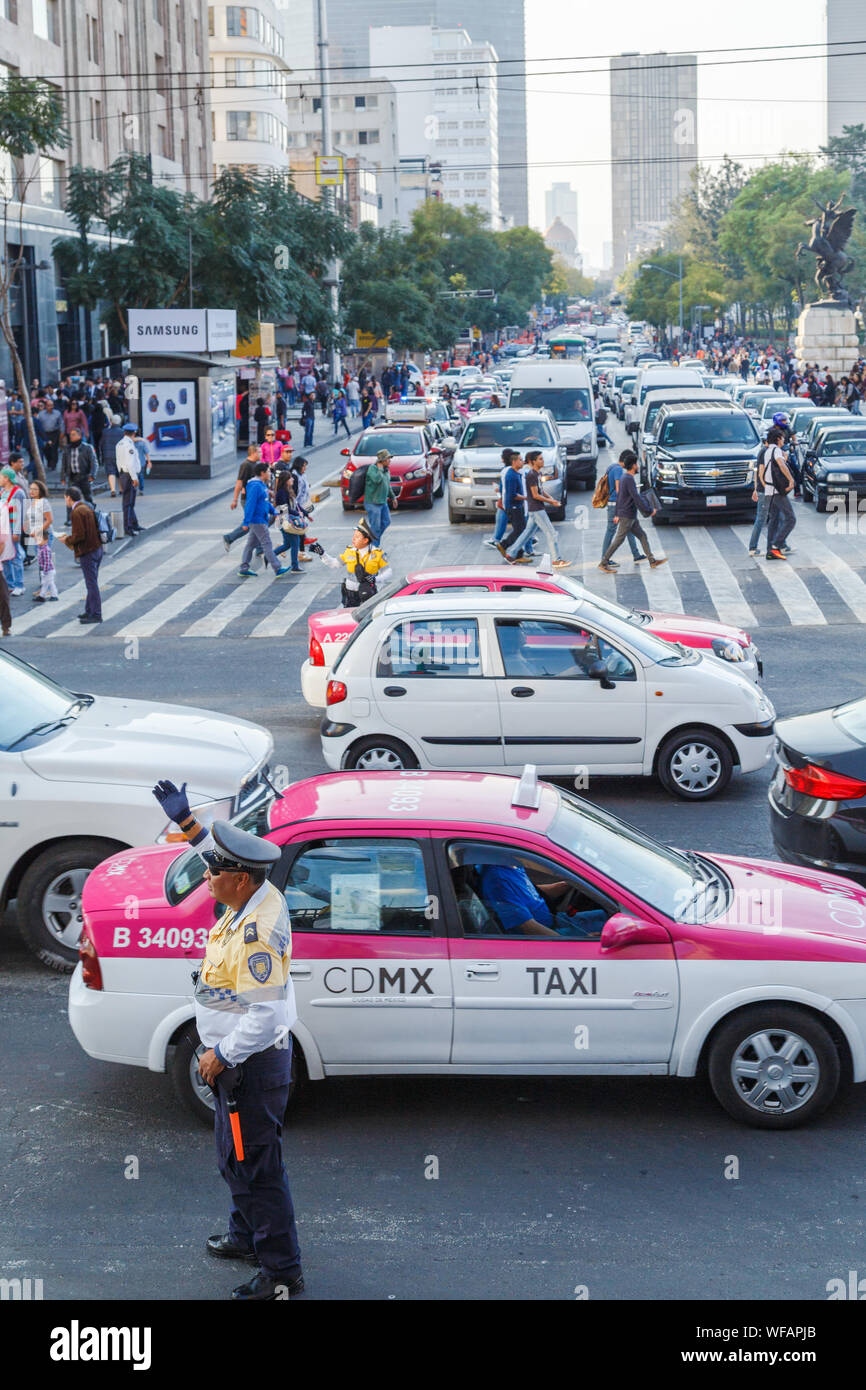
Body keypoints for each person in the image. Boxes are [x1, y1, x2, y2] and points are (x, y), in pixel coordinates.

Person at [148, 785, 303, 1301]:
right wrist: (190, 824)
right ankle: (245, 1236)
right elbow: (215, 861)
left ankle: (281, 1272)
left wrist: (219, 1055)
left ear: (238, 879)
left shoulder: (256, 932)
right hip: (239, 1066)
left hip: (248, 1065)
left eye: (214, 874)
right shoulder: (254, 893)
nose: (205, 879)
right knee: (240, 1156)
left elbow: (264, 1014)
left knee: (253, 1167)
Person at [477, 862, 608, 940]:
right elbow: (529, 928)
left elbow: (532, 892)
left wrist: (570, 883)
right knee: (611, 932)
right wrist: (573, 942)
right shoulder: (499, 881)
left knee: (608, 916)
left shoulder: (511, 866)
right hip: (549, 934)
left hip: (556, 921)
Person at [503, 449, 570, 569]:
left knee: (527, 533)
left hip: (536, 509)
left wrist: (552, 499)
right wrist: (551, 502)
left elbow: (541, 491)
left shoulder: (537, 474)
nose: (543, 461)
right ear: (533, 462)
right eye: (540, 459)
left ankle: (511, 554)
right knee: (551, 533)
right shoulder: (531, 475)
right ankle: (556, 560)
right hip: (536, 509)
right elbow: (535, 495)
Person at [598, 455, 667, 573]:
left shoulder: (625, 477)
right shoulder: (628, 479)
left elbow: (620, 497)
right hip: (627, 516)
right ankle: (603, 562)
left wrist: (617, 514)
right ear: (634, 466)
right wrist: (649, 510)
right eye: (637, 464)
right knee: (618, 540)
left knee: (642, 535)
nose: (638, 466)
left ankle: (652, 560)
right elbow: (636, 498)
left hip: (630, 515)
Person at [237, 462, 291, 580]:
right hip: (257, 520)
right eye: (267, 471)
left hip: (261, 518)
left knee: (251, 544)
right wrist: (246, 522)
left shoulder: (261, 484)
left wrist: (274, 512)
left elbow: (265, 502)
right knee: (267, 544)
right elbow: (250, 504)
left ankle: (244, 568)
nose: (269, 473)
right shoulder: (255, 486)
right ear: (262, 473)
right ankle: (277, 568)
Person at [57, 485, 103, 623]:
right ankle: (89, 610)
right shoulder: (86, 507)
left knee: (91, 584)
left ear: (69, 498)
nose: (65, 500)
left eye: (65, 498)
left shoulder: (76, 512)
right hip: (96, 548)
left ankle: (96, 614)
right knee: (92, 582)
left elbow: (79, 535)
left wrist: (66, 539)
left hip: (87, 551)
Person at [333, 517, 392, 607]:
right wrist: (322, 554)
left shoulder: (377, 553)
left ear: (365, 540)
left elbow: (388, 572)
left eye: (357, 537)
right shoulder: (349, 551)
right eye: (353, 536)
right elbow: (334, 564)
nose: (353, 539)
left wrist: (375, 579)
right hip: (350, 594)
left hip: (368, 592)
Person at [600, 450, 644, 566]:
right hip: (616, 505)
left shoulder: (612, 467)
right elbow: (619, 490)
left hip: (614, 503)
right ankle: (605, 559)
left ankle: (636, 555)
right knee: (611, 531)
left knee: (628, 529)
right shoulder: (618, 470)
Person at [762, 427, 797, 560]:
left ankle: (770, 550)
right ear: (778, 439)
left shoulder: (767, 451)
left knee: (774, 520)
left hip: (770, 490)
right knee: (791, 519)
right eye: (782, 438)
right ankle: (776, 546)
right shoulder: (776, 451)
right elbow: (781, 465)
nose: (784, 440)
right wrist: (791, 479)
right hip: (777, 491)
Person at [224, 445, 262, 554]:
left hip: (254, 499)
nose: (261, 454)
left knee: (256, 522)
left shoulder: (255, 465)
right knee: (250, 523)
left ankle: (260, 548)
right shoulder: (246, 465)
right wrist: (235, 500)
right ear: (253, 453)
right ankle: (229, 538)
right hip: (247, 499)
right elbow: (239, 482)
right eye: (259, 452)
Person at [25, 479, 57, 602]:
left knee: (45, 560)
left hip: (44, 535)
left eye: (35, 489)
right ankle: (44, 587)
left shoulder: (44, 502)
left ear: (40, 491)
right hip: (35, 535)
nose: (32, 491)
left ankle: (48, 588)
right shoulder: (32, 502)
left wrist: (38, 531)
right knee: (41, 561)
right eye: (31, 488)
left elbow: (49, 520)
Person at [271, 468, 303, 572]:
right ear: (286, 480)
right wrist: (297, 514)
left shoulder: (288, 490)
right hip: (285, 520)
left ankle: (269, 556)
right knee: (295, 543)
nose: (293, 479)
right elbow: (285, 508)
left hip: (286, 519)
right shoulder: (282, 492)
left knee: (288, 544)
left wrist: (304, 513)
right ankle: (295, 567)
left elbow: (295, 505)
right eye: (290, 478)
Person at [364, 448, 398, 545]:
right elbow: (377, 480)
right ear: (382, 460)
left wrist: (393, 497)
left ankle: (371, 540)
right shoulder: (373, 469)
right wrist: (379, 469)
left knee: (386, 522)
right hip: (373, 503)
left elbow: (387, 485)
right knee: (375, 527)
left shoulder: (386, 470)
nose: (390, 460)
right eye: (388, 459)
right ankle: (374, 548)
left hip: (383, 502)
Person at [0, 466, 25, 595]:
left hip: (12, 528)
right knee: (5, 557)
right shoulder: (2, 491)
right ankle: (10, 584)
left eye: (1, 476)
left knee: (15, 557)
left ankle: (19, 584)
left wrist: (17, 532)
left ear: (7, 478)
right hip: (3, 529)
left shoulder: (18, 492)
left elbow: (20, 513)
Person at [115, 422, 143, 536]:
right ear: (134, 433)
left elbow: (118, 461)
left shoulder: (119, 444)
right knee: (128, 503)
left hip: (123, 474)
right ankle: (128, 527)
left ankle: (134, 523)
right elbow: (130, 463)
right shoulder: (129, 445)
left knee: (129, 502)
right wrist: (134, 478)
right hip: (129, 475)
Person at [290, 456, 315, 562]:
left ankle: (299, 547)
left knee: (298, 530)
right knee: (299, 530)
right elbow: (293, 493)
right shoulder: (294, 476)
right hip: (296, 506)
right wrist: (299, 509)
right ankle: (301, 552)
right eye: (304, 466)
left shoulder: (302, 474)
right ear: (299, 465)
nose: (305, 468)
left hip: (301, 504)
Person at [36, 398, 62, 471]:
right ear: (46, 406)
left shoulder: (57, 413)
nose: (50, 407)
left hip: (54, 433)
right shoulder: (41, 414)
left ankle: (54, 463)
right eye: (48, 405)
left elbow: (61, 424)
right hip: (45, 434)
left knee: (54, 449)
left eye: (52, 405)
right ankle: (49, 461)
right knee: (46, 449)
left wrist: (62, 433)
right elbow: (38, 424)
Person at [101, 414, 125, 494]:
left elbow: (101, 443)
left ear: (111, 422)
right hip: (120, 455)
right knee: (121, 472)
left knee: (111, 472)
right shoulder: (123, 432)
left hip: (108, 455)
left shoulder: (105, 432)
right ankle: (121, 489)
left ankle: (113, 490)